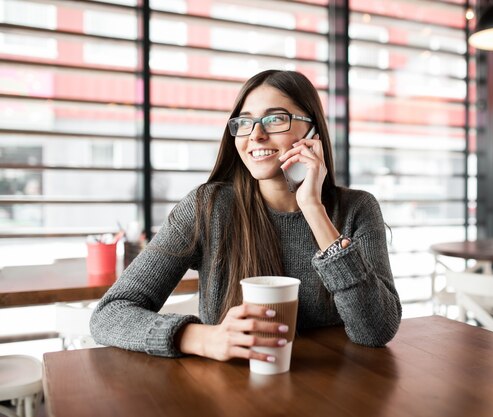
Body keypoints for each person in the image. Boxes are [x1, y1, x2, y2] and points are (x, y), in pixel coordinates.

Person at [90, 70, 402, 363]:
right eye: (245, 122)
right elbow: (110, 313)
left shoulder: (357, 209)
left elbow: (375, 331)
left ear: (313, 130)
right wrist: (203, 338)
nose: (256, 135)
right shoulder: (207, 207)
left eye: (275, 119)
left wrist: (312, 207)